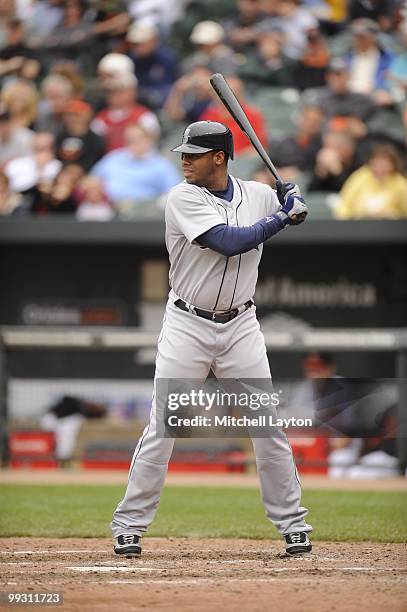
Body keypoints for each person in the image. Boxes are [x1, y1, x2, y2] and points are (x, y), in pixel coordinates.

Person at [111, 120, 312, 558]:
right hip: (188, 323)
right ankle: (129, 525)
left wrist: (290, 195)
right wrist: (283, 215)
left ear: (218, 157)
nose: (184, 160)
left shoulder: (258, 193)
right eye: (183, 153)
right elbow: (227, 241)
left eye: (193, 154)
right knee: (164, 426)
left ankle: (294, 524)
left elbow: (282, 203)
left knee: (267, 427)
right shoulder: (182, 196)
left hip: (241, 325)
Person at [91, 123, 180, 203]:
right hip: (108, 207)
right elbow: (91, 179)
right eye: (130, 140)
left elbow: (175, 192)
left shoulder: (161, 164)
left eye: (138, 139)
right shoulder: (114, 157)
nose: (134, 143)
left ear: (148, 140)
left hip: (142, 212)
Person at [334, 144, 407, 218]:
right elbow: (343, 205)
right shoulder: (360, 177)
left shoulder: (400, 183)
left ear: (393, 164)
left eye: (384, 163)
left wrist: (395, 216)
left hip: (389, 226)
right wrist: (349, 219)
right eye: (376, 162)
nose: (379, 167)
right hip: (358, 224)